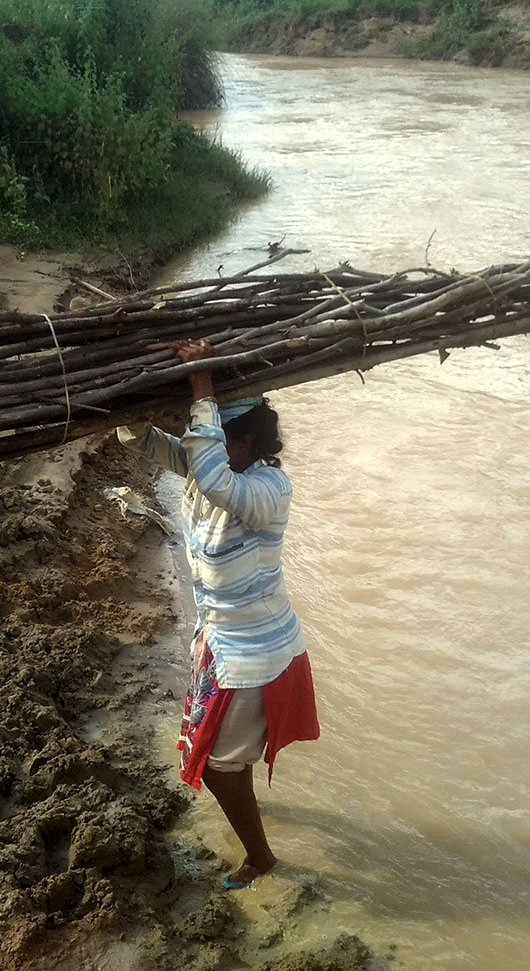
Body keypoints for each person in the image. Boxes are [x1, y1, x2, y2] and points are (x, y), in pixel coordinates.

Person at [117, 338, 319, 889]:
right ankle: (254, 821)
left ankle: (263, 858)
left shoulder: (266, 489)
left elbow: (206, 472)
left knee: (215, 765)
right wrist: (131, 420)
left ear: (247, 443)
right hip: (221, 641)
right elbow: (167, 451)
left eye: (209, 433)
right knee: (227, 757)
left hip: (256, 653)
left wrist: (201, 388)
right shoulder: (217, 471)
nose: (195, 441)